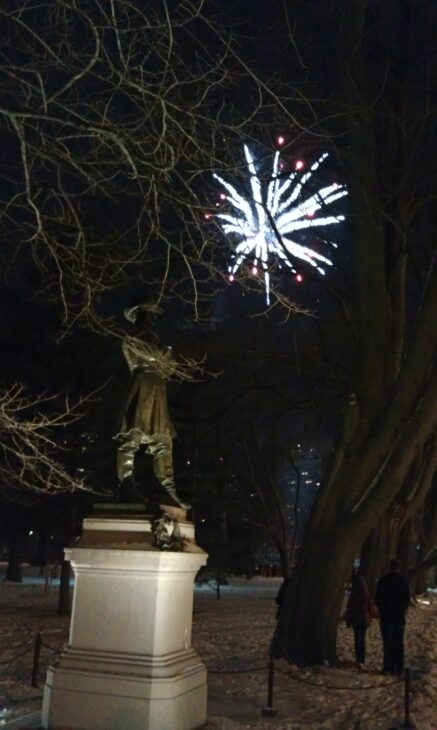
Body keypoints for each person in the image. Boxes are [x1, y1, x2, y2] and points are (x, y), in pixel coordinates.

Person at [115, 301, 190, 510]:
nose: (154, 318)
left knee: (164, 440)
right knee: (132, 435)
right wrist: (164, 353)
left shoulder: (154, 339)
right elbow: (157, 356)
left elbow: (170, 366)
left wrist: (164, 356)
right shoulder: (132, 336)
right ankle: (126, 482)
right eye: (151, 314)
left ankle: (168, 487)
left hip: (157, 389)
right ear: (139, 313)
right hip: (141, 387)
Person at [375, 558, 410, 674]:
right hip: (399, 618)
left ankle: (388, 666)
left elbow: (378, 599)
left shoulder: (383, 581)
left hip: (386, 617)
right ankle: (399, 667)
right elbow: (406, 600)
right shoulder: (403, 582)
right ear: (398, 568)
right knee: (398, 642)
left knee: (387, 643)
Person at [345, 573, 374, 668]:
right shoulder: (366, 594)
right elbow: (370, 607)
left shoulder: (354, 595)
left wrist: (348, 620)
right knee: (362, 638)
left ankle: (358, 658)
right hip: (364, 619)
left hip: (357, 619)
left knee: (357, 639)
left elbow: (350, 608)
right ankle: (362, 658)